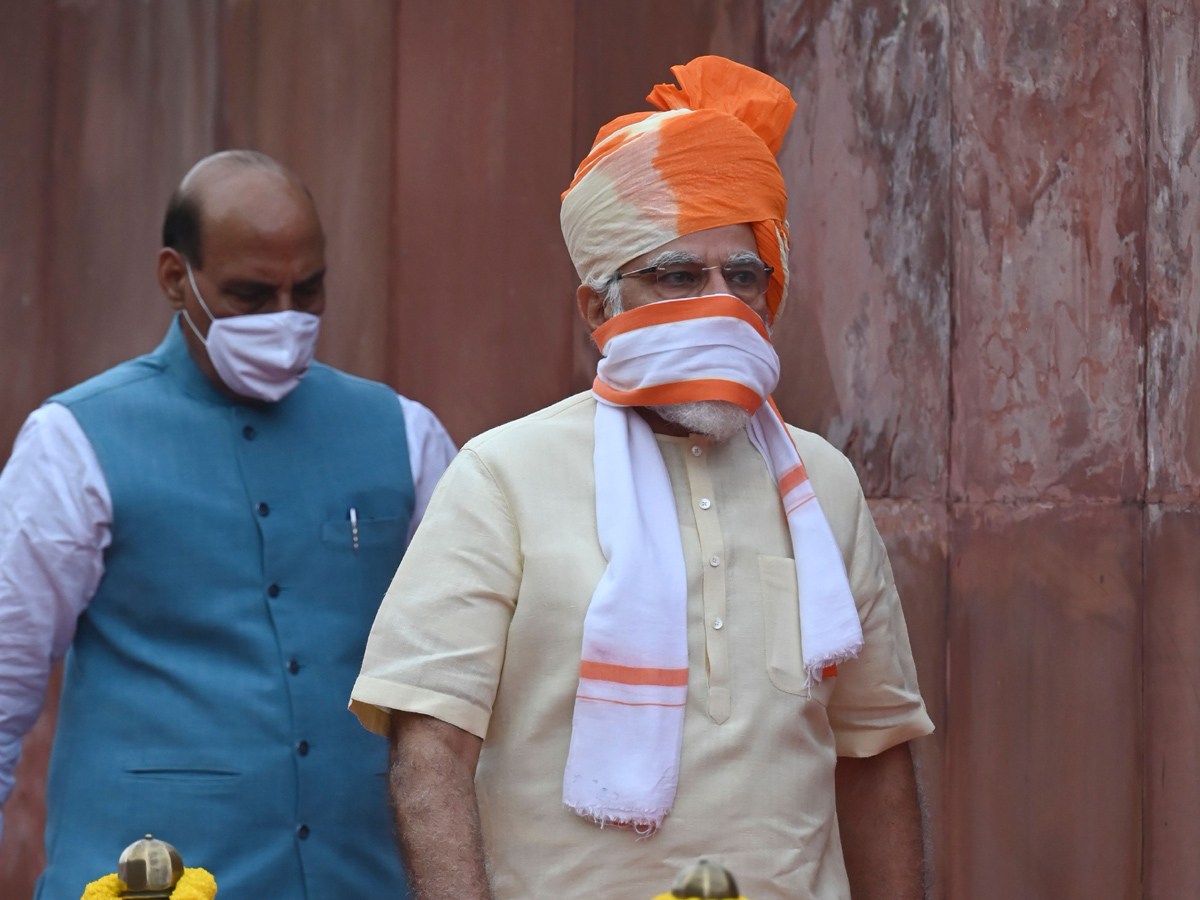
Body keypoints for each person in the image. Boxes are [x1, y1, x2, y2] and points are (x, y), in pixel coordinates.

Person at [350, 56, 933, 900]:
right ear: (598, 308)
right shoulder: (502, 476)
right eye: (677, 277)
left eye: (744, 276)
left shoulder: (823, 483)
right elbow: (430, 746)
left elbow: (875, 751)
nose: (720, 303)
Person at [0, 150, 456, 899]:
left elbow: (464, 685)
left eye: (307, 291)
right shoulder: (71, 445)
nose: (285, 318)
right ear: (176, 278)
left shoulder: (404, 436)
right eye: (251, 294)